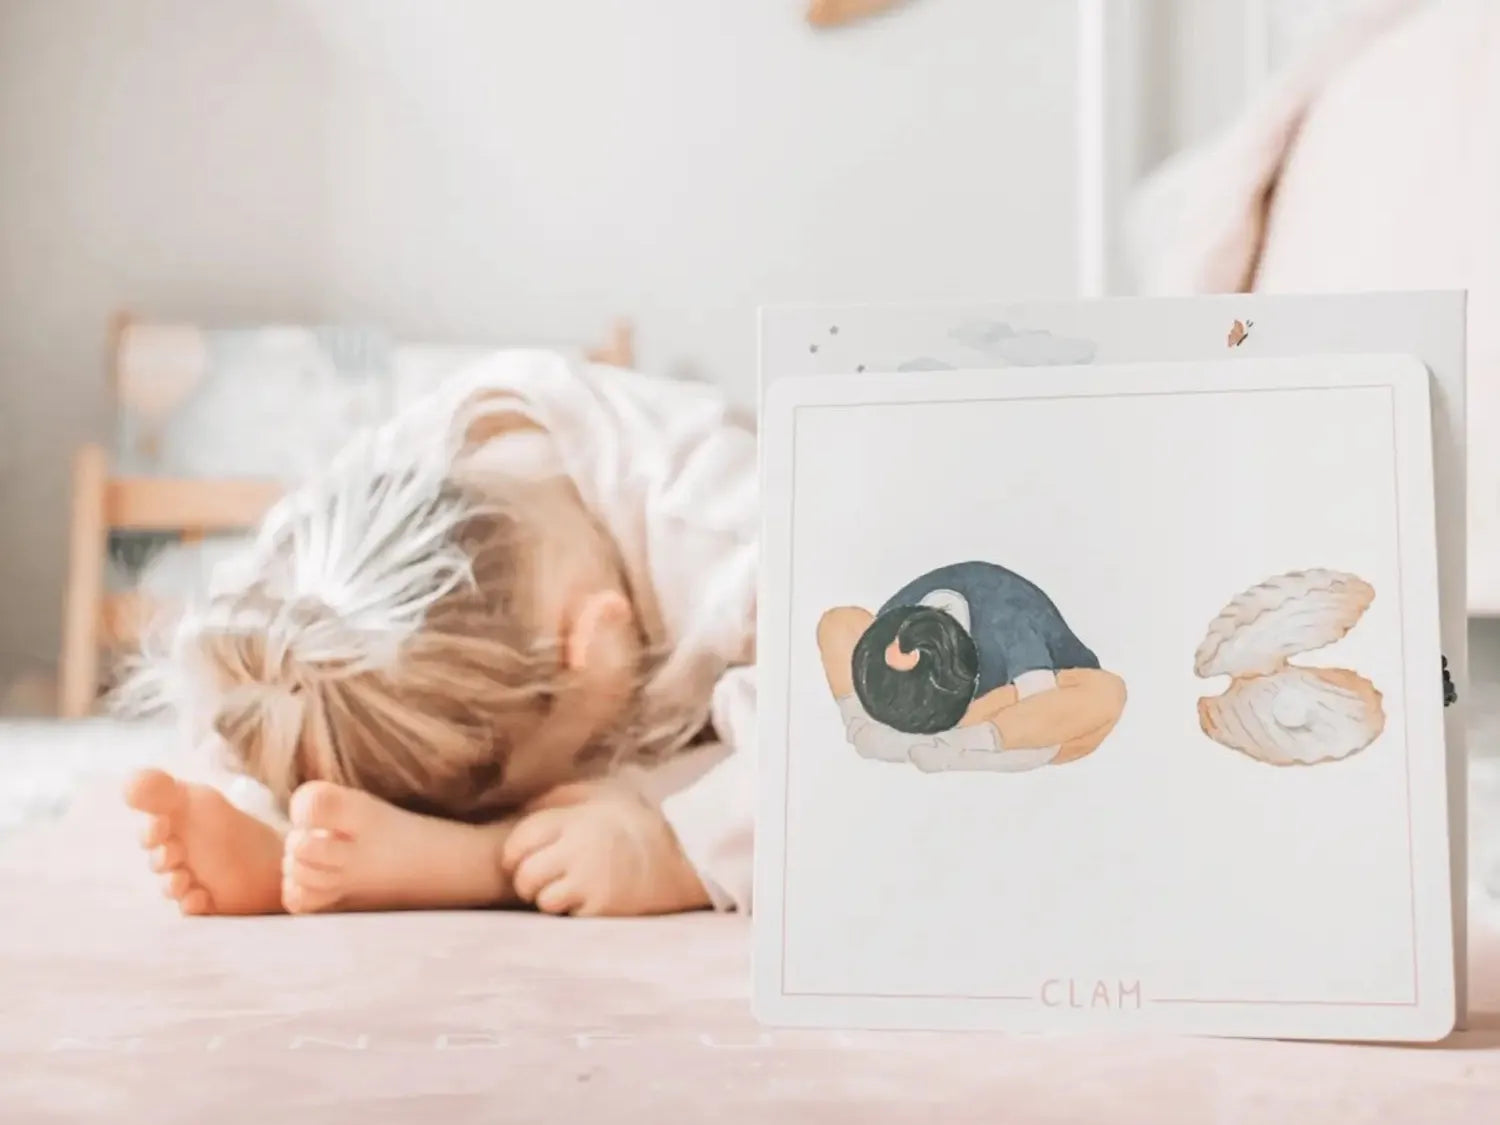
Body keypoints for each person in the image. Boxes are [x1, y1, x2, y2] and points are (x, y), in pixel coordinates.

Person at [121, 350, 757, 917]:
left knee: (759, 755)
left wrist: (675, 854)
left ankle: (478, 862)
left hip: (754, 695)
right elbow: (250, 684)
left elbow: (836, 752)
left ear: (594, 650)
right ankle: (330, 839)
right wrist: (261, 793)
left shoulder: (735, 529)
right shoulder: (336, 540)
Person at [816, 562, 1126, 773]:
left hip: (1021, 704)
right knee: (839, 621)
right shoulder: (891, 628)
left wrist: (985, 723)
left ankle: (967, 746)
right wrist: (861, 708)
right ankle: (870, 730)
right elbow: (845, 633)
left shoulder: (1009, 626)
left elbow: (1036, 695)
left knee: (1108, 692)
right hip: (958, 716)